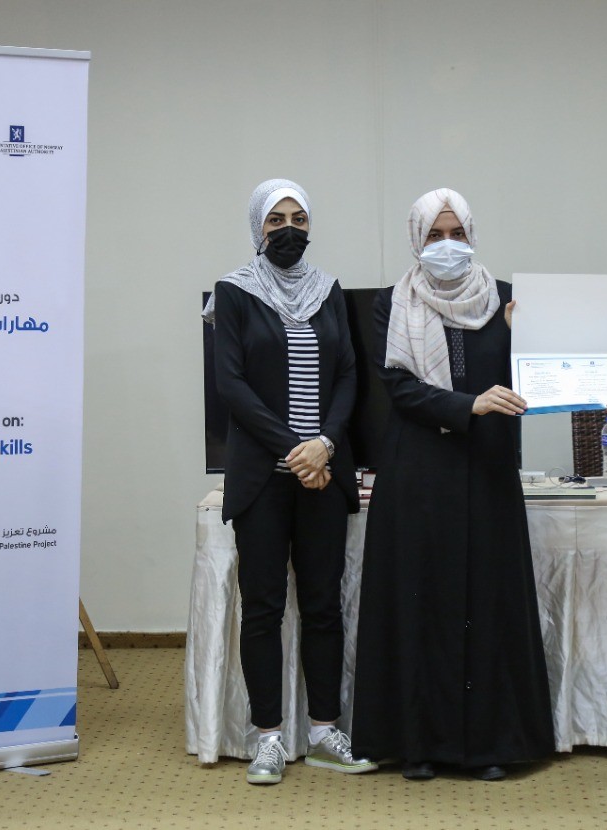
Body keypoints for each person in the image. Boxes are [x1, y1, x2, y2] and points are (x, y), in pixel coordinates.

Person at [351, 188, 554, 782]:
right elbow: (400, 389)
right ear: (417, 240)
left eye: (457, 234)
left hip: (486, 468)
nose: (447, 245)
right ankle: (417, 744)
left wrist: (529, 339)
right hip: (417, 471)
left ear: (472, 235)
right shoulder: (393, 302)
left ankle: (490, 744)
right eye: (435, 236)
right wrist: (469, 405)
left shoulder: (506, 300)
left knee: (487, 602)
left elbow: (535, 378)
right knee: (420, 602)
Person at [205, 178, 377, 785]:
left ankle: (326, 732)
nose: (288, 230)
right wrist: (293, 450)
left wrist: (323, 444)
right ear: (258, 226)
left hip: (322, 475)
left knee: (324, 605)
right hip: (264, 480)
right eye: (275, 219)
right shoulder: (234, 292)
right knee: (264, 609)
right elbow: (231, 384)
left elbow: (349, 375)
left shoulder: (328, 290)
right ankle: (269, 738)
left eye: (298, 219)